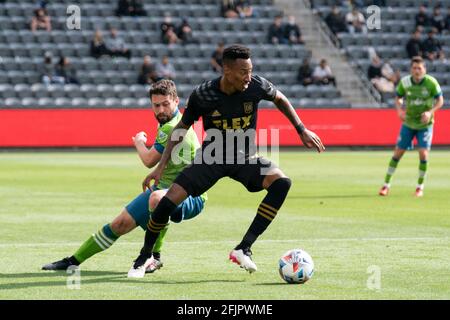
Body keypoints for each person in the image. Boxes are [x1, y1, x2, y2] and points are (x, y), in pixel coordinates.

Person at [129, 45, 325, 275]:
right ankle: (144, 257)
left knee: (282, 182)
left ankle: (244, 248)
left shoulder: (256, 86)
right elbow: (180, 129)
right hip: (211, 159)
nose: (248, 76)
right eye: (244, 71)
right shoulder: (203, 94)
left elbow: (280, 98)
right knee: (166, 202)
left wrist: (301, 129)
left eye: (250, 70)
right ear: (227, 71)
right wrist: (160, 168)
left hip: (244, 158)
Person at [42, 80, 207, 277]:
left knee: (157, 201)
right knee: (119, 224)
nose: (161, 109)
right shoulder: (176, 122)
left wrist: (138, 142)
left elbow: (148, 160)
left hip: (191, 196)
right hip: (165, 187)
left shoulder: (169, 128)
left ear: (176, 101)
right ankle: (73, 261)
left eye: (165, 104)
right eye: (156, 105)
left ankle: (154, 256)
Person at [379, 56, 444, 197]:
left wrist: (430, 112)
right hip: (408, 123)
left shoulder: (431, 83)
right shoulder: (405, 82)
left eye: (419, 68)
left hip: (425, 124)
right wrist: (399, 110)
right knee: (398, 153)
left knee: (423, 154)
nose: (417, 71)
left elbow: (440, 100)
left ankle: (420, 187)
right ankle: (386, 185)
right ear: (411, 69)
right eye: (414, 68)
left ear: (424, 69)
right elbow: (398, 97)